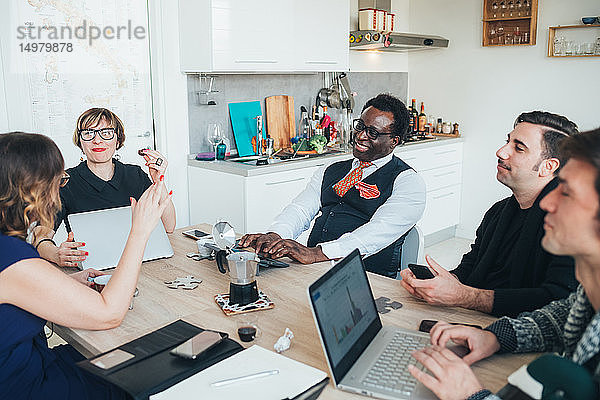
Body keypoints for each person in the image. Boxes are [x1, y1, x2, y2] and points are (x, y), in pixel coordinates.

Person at [407, 128, 600, 400]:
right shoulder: (588, 296)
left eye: (566, 192)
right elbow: (563, 315)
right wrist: (496, 337)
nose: (547, 200)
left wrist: (471, 395)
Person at [0, 131, 171, 399]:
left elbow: (18, 290)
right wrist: (139, 231)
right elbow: (110, 314)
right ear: (33, 191)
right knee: (140, 376)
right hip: (26, 385)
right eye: (57, 182)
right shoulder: (11, 256)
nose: (59, 192)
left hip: (27, 363)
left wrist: (65, 283)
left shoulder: (9, 250)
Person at [400, 111, 579, 317]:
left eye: (518, 148)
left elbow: (556, 301)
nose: (501, 152)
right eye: (507, 141)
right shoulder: (498, 212)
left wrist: (464, 296)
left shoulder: (570, 224)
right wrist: (438, 283)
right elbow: (469, 269)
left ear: (548, 167)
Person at [239, 94, 426, 278]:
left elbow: (377, 232)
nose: (361, 136)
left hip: (367, 277)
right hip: (315, 270)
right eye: (360, 126)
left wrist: (316, 253)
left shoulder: (408, 182)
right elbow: (300, 209)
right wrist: (276, 236)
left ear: (394, 140)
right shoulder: (331, 170)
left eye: (373, 133)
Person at [35, 108, 176, 268]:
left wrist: (159, 182)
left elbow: (168, 226)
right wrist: (54, 253)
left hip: (141, 262)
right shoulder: (64, 181)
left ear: (118, 139)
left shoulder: (134, 174)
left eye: (106, 132)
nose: (97, 140)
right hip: (92, 269)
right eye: (89, 133)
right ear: (80, 141)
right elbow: (39, 237)